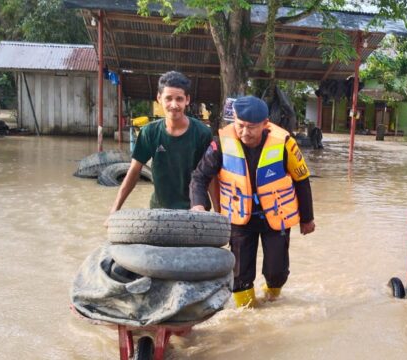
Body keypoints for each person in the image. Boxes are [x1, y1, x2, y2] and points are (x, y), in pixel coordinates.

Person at [190, 95, 315, 308]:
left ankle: (272, 300)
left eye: (252, 127)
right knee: (240, 275)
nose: (245, 132)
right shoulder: (221, 143)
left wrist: (307, 218)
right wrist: (199, 205)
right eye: (240, 126)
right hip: (239, 218)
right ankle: (247, 315)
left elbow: (302, 181)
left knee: (277, 271)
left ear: (265, 124)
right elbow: (199, 177)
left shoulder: (285, 143)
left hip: (275, 217)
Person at [107, 71, 212, 217]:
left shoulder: (202, 134)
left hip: (195, 211)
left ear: (187, 100)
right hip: (159, 211)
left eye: (179, 99)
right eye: (168, 98)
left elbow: (212, 177)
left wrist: (220, 216)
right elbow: (133, 172)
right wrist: (114, 210)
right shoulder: (149, 132)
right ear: (159, 98)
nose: (174, 105)